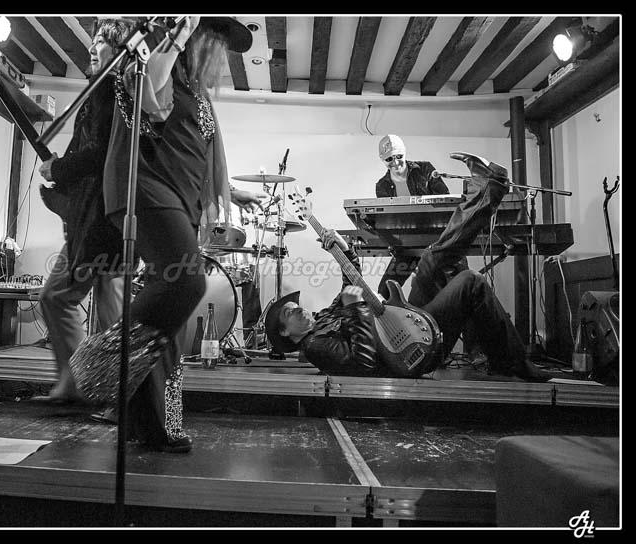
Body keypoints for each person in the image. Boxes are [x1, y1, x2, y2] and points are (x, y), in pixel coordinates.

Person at [69, 17, 254, 453]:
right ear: (198, 38)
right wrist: (178, 34)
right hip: (147, 189)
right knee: (187, 284)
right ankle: (102, 358)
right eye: (216, 41)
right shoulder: (154, 62)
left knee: (170, 322)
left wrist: (232, 191)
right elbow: (150, 100)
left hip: (180, 200)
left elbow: (193, 150)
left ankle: (154, 424)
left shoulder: (195, 90)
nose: (220, 54)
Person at [265, 152, 549, 383]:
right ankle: (515, 364)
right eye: (289, 312)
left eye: (294, 306)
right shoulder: (315, 346)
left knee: (431, 259)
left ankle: (488, 189)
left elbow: (351, 282)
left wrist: (344, 248)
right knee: (470, 281)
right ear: (286, 334)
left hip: (404, 323)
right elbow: (363, 364)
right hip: (409, 352)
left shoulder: (325, 316)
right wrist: (354, 310)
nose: (298, 308)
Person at [36, 20, 133, 404]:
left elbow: (103, 153)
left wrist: (59, 169)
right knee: (87, 305)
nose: (93, 47)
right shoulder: (105, 90)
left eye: (103, 41)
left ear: (121, 49)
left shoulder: (114, 90)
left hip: (102, 221)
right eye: (93, 41)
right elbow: (91, 153)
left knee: (78, 303)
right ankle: (88, 385)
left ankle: (98, 388)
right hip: (98, 218)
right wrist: (62, 178)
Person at [374, 134, 455, 301]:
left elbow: (446, 200)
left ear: (404, 153)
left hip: (438, 241)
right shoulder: (382, 186)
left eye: (399, 156)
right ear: (382, 160)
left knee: (456, 284)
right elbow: (386, 220)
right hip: (407, 246)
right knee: (383, 292)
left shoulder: (424, 169)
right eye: (389, 159)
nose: (395, 162)